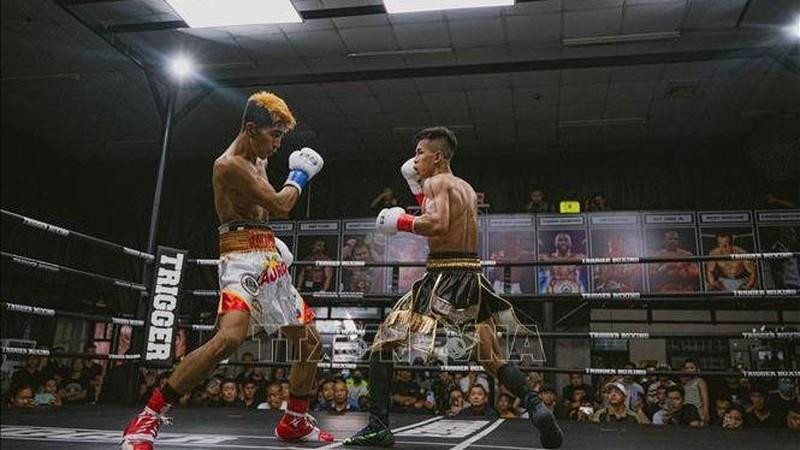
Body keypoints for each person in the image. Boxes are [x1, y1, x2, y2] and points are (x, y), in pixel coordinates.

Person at [121, 91, 331, 449]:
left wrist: (271, 244)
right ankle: (147, 418)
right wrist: (300, 175)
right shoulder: (229, 164)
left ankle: (294, 420)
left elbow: (262, 213)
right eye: (274, 135)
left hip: (267, 259)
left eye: (282, 136)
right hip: (239, 256)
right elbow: (281, 205)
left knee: (310, 343)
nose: (279, 144)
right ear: (251, 129)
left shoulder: (259, 158)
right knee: (229, 339)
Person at [344, 127, 562, 448]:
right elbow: (441, 220)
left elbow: (438, 224)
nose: (415, 158)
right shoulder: (466, 187)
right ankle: (535, 405)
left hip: (442, 277)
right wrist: (414, 189)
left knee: (382, 344)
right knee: (492, 357)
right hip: (471, 275)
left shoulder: (436, 181)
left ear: (438, 156)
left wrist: (401, 221)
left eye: (420, 152)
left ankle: (378, 425)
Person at [680, 359, 710, 424]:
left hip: (697, 409)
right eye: (687, 368)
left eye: (692, 368)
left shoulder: (700, 381)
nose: (689, 370)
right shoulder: (685, 383)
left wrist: (706, 411)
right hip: (687, 409)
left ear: (697, 369)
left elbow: (705, 398)